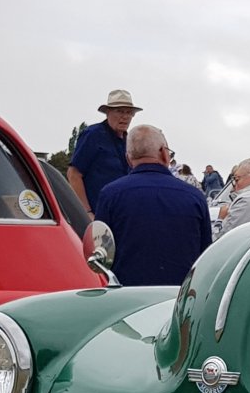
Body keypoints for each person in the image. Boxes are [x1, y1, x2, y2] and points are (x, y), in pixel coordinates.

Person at [93, 124, 210, 286]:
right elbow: (205, 256)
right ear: (163, 153)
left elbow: (101, 256)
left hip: (127, 297)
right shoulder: (195, 197)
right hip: (178, 297)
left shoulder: (110, 195)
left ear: (128, 158)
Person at [69, 90, 140, 219]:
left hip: (121, 215)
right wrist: (87, 212)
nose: (125, 116)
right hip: (97, 214)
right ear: (108, 112)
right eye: (119, 111)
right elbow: (74, 174)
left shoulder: (129, 140)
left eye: (129, 112)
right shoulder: (93, 135)